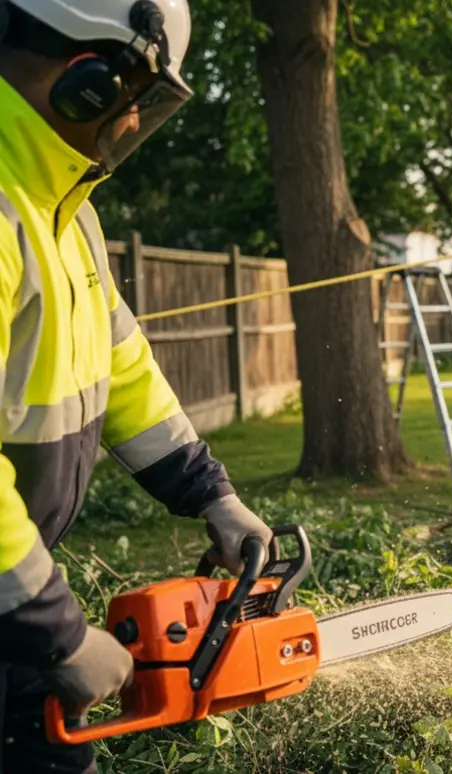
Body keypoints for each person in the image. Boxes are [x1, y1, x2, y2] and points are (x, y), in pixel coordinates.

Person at [0, 1, 271, 771]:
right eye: (136, 98)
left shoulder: (61, 205)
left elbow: (118, 363)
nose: (131, 124)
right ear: (89, 81)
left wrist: (206, 492)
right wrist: (50, 627)